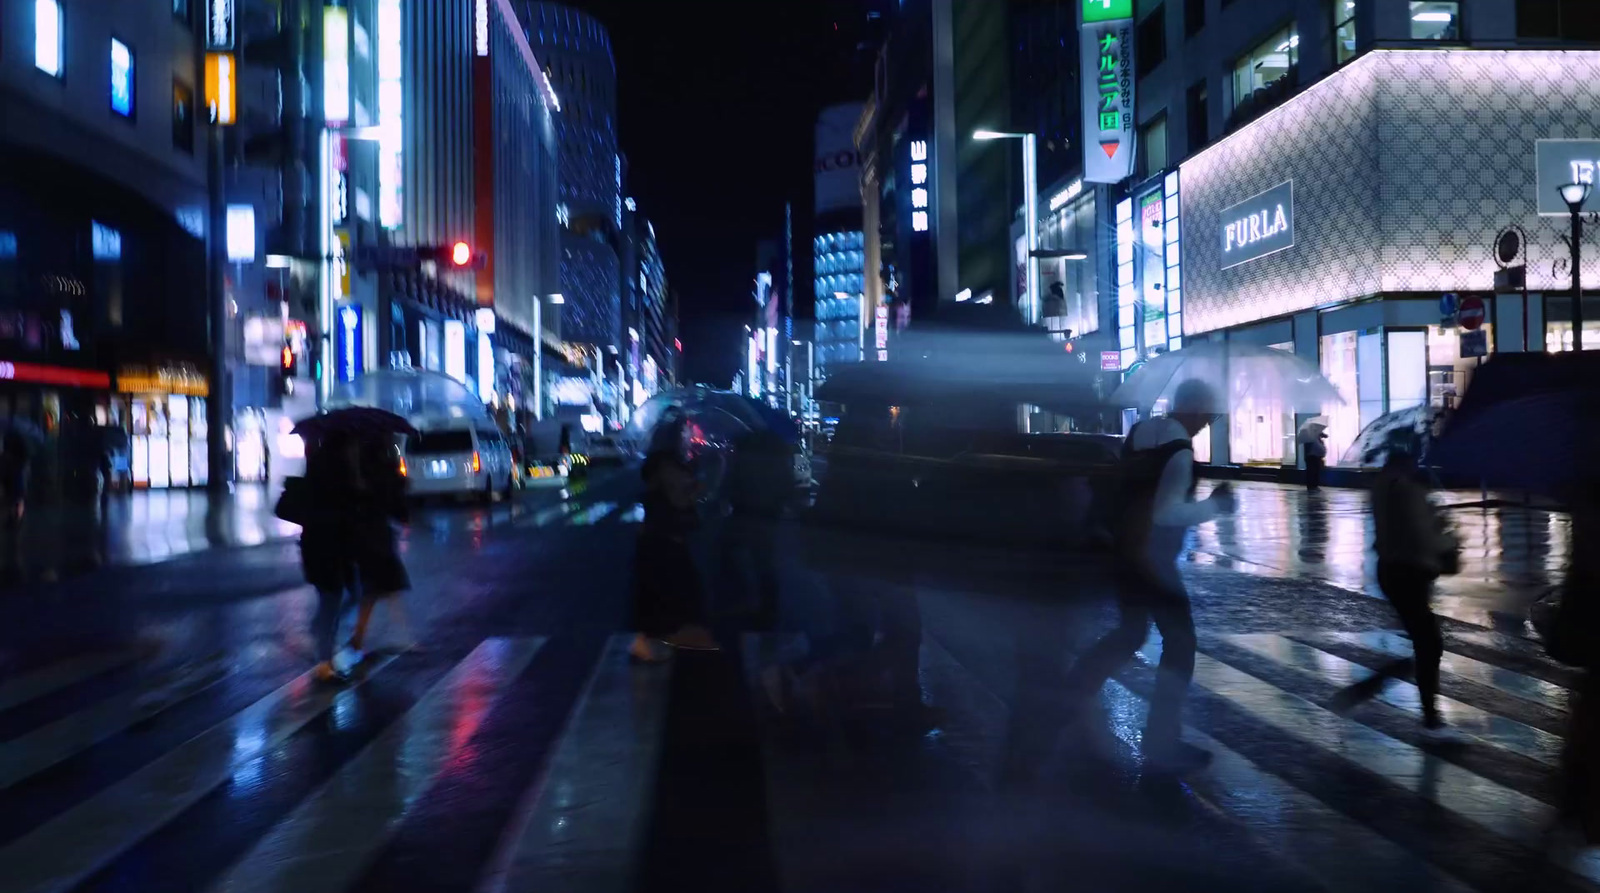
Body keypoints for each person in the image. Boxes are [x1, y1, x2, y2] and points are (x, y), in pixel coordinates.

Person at [1060, 379, 1234, 774]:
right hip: (1153, 560)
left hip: (1124, 552)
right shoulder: (1179, 451)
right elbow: (1165, 513)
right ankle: (1161, 740)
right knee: (1180, 643)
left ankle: (1066, 699)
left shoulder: (1140, 433)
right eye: (1207, 414)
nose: (1207, 423)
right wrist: (1214, 507)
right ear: (1190, 407)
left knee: (1130, 633)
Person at [1328, 439, 1466, 743]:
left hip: (1392, 571)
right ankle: (1427, 717)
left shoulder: (1382, 486)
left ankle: (1417, 706)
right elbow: (1423, 536)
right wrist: (1449, 537)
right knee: (1428, 643)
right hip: (1410, 573)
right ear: (1408, 462)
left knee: (1426, 641)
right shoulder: (1407, 490)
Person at [629, 449, 718, 662]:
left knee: (658, 606)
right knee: (678, 605)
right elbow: (686, 517)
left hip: (660, 552)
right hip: (668, 552)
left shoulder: (658, 486)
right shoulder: (669, 481)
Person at [344, 438, 415, 660]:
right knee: (384, 587)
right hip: (379, 537)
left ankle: (361, 636)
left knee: (376, 589)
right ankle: (396, 638)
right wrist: (403, 485)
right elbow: (396, 507)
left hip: (362, 536)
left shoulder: (357, 468)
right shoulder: (386, 468)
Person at [718, 429, 790, 628]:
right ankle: (768, 609)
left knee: (730, 554)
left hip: (744, 513)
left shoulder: (742, 458)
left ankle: (739, 600)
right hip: (769, 516)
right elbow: (788, 487)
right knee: (764, 564)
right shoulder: (778, 458)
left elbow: (727, 486)